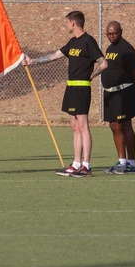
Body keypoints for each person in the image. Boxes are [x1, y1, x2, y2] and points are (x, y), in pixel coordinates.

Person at [25, 11, 107, 177]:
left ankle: (86, 165)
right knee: (75, 126)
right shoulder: (72, 42)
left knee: (83, 126)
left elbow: (104, 63)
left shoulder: (88, 41)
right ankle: (76, 164)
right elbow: (55, 55)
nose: (66, 26)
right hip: (71, 88)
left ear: (73, 23)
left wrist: (91, 76)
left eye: (67, 23)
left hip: (82, 88)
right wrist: (32, 61)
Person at [99, 20, 135, 174]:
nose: (112, 36)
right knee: (114, 126)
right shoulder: (110, 48)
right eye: (109, 34)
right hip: (111, 93)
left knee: (125, 125)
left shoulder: (127, 49)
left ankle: (132, 163)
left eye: (115, 33)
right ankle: (121, 161)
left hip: (124, 92)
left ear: (121, 32)